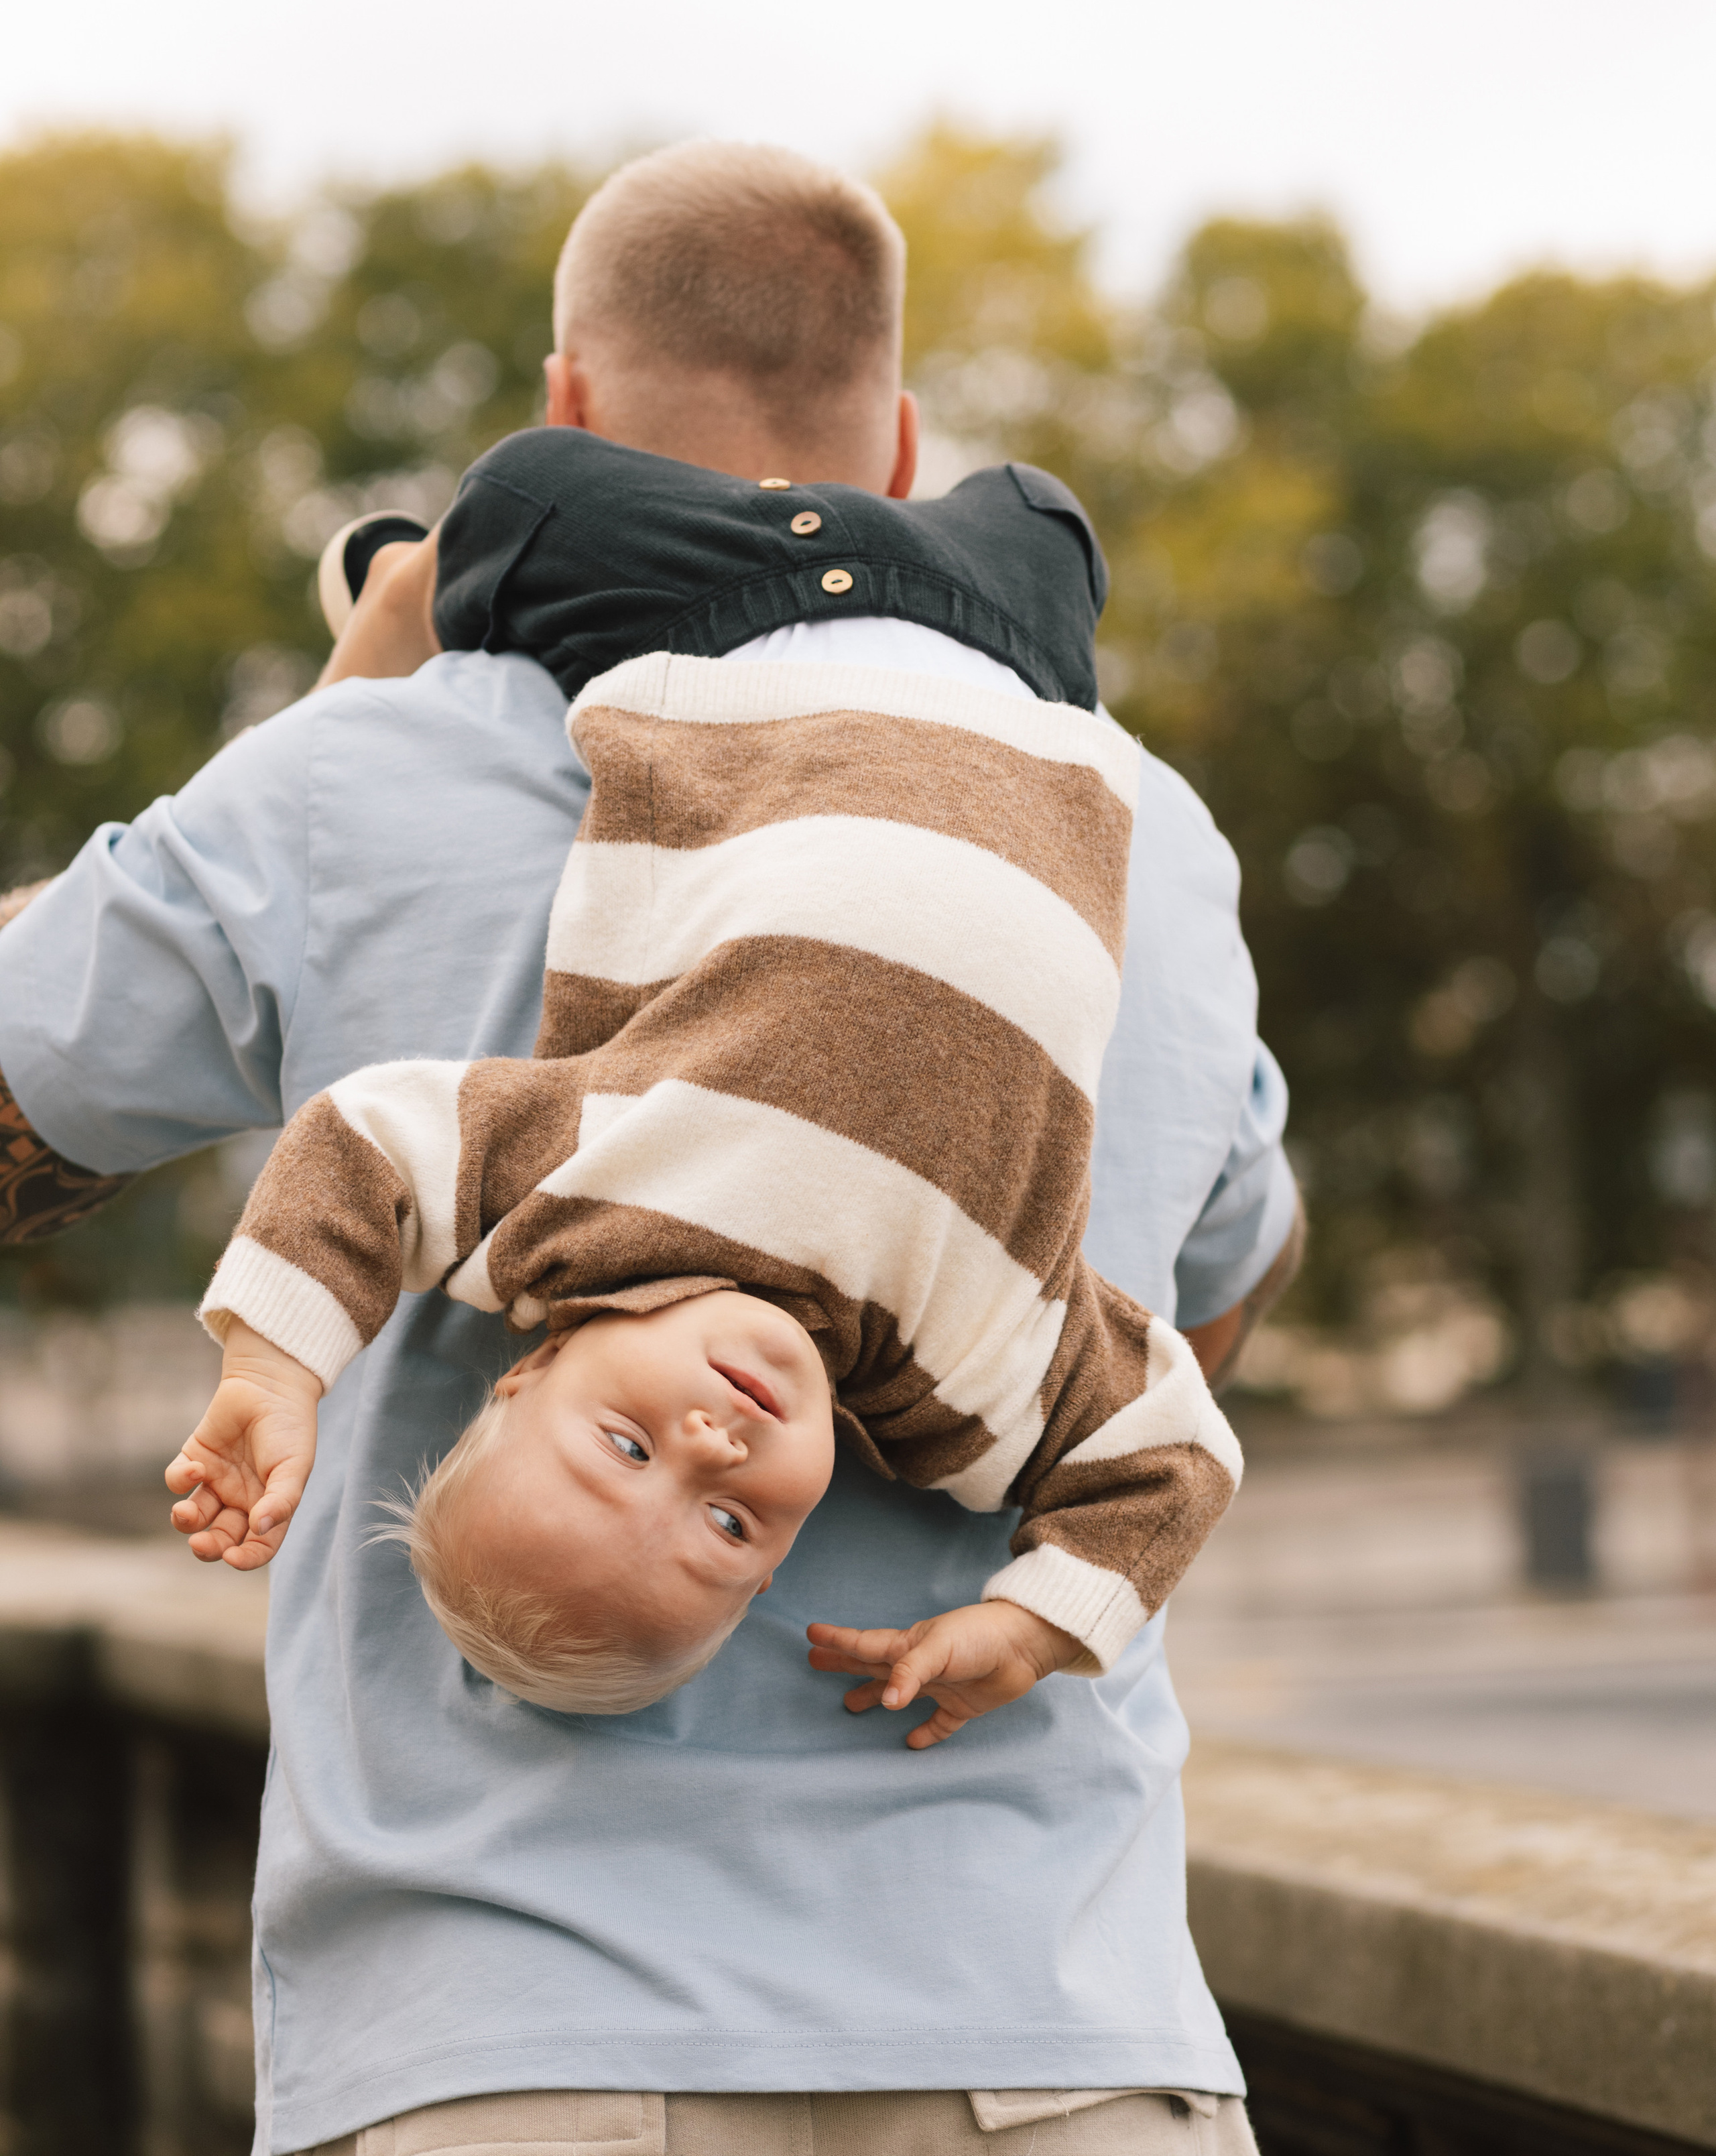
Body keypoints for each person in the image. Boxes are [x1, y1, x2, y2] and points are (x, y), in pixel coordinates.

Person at [0, 142, 1301, 2155]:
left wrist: (336, 712)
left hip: (501, 2046)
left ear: (565, 411)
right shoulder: (1156, 835)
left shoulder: (364, 773)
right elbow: (1216, 1307)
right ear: (899, 434)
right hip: (1060, 2046)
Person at [170, 471, 1243, 1725]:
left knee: (527, 494)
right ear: (782, 1563)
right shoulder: (973, 1384)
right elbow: (1171, 1460)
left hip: (735, 619)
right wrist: (1037, 1624)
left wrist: (276, 1370)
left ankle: (409, 592)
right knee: (1052, 512)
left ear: (536, 1368)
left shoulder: (571, 1214)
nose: (712, 1445)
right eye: (729, 1523)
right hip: (1021, 656)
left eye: (627, 1446)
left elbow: (359, 1149)